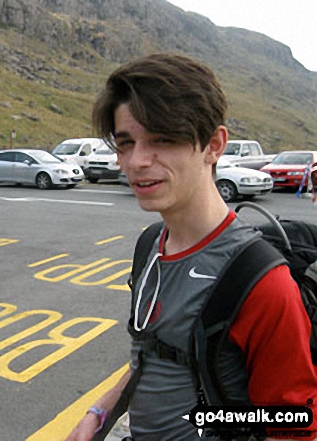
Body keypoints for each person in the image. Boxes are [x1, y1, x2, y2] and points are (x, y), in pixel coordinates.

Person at [66, 53, 317, 440]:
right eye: (126, 143)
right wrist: (99, 412)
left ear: (214, 145)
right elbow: (152, 354)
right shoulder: (150, 244)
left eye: (163, 139)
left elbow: (293, 423)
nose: (137, 161)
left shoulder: (261, 283)